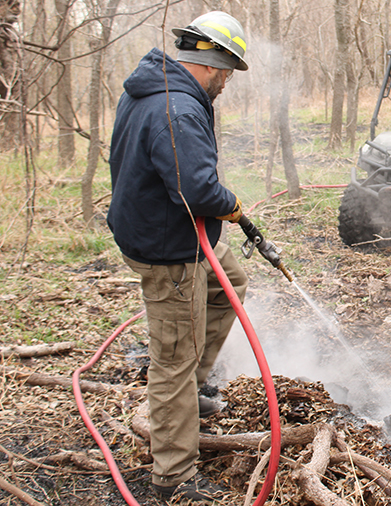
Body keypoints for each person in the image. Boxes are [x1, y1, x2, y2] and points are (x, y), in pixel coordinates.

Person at [106, 11, 250, 502]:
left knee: (231, 282)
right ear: (209, 64)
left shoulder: (156, 87)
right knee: (172, 358)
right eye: (227, 72)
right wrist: (228, 203)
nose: (227, 83)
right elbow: (197, 188)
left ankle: (195, 388)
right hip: (168, 249)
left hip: (173, 233)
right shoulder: (178, 108)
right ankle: (174, 476)